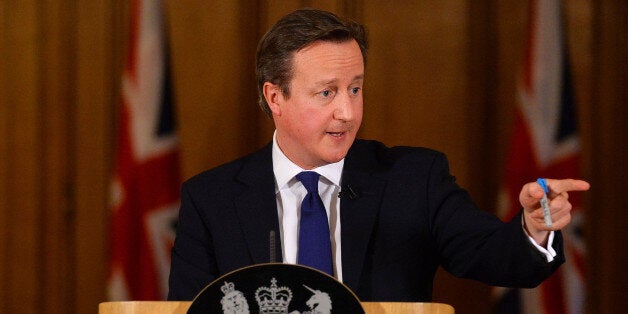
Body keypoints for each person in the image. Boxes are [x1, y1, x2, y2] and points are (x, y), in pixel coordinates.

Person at [167, 8, 590, 302]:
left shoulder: (413, 179)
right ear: (275, 97)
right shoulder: (212, 199)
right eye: (327, 92)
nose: (347, 112)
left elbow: (499, 257)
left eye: (355, 88)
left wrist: (535, 228)